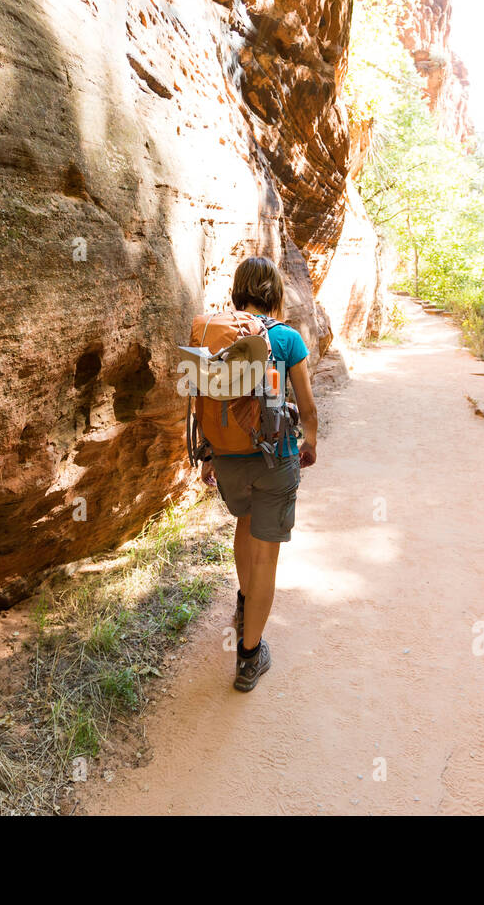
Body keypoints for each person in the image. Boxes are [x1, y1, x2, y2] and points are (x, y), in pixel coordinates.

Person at [200, 256, 318, 691]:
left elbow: (206, 399)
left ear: (239, 290)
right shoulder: (286, 338)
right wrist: (311, 443)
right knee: (267, 553)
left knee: (244, 524)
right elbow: (306, 406)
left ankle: (244, 604)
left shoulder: (216, 333)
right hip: (275, 457)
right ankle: (249, 657)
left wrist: (209, 455)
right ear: (273, 292)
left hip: (228, 456)